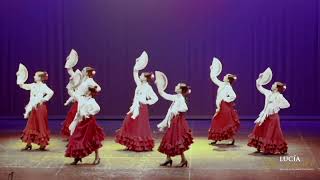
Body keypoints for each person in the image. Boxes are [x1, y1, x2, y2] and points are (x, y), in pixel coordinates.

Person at [115, 65, 158, 152]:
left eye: (141, 75)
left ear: (145, 78)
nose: (140, 76)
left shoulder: (148, 87)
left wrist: (146, 102)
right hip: (135, 107)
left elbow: (155, 98)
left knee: (139, 126)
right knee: (128, 122)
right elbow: (135, 74)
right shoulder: (139, 84)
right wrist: (136, 65)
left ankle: (140, 145)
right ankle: (130, 144)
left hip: (142, 108)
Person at [248, 74, 290, 155]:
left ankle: (275, 147)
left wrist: (276, 107)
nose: (272, 85)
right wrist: (260, 78)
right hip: (265, 116)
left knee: (272, 133)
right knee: (259, 129)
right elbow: (259, 87)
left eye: (274, 84)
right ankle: (259, 146)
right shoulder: (268, 93)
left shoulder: (279, 96)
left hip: (273, 117)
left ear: (277, 88)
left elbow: (287, 104)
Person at [157, 83, 193, 168]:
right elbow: (164, 95)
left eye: (177, 86)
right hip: (174, 120)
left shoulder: (180, 98)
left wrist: (176, 111)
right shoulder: (176, 97)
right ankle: (168, 158)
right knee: (169, 139)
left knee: (176, 140)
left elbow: (185, 108)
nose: (175, 86)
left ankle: (183, 160)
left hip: (177, 122)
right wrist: (159, 85)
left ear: (180, 90)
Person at [19, 71, 54, 151]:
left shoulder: (43, 86)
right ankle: (28, 143)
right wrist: (20, 77)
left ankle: (42, 144)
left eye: (35, 75)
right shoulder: (33, 85)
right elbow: (22, 86)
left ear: (39, 78)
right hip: (34, 107)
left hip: (40, 107)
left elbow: (51, 92)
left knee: (41, 125)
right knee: (30, 124)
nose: (34, 76)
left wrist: (43, 99)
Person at [208, 73, 240, 145]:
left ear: (228, 79)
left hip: (225, 106)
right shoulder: (222, 84)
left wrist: (225, 99)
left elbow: (233, 96)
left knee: (226, 122)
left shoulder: (228, 87)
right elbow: (214, 78)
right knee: (217, 121)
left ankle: (232, 139)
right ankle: (216, 138)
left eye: (225, 76)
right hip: (221, 106)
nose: (224, 76)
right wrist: (212, 70)